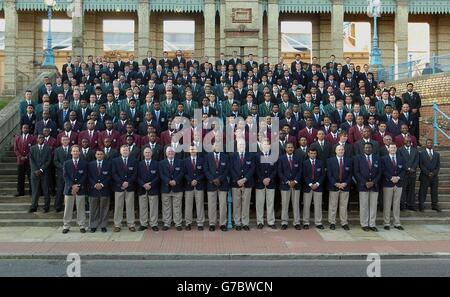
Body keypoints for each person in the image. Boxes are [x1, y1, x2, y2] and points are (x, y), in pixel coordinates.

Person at [354, 142, 381, 232]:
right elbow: (356, 172)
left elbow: (380, 172)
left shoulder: (377, 158)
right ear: (363, 149)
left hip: (374, 185)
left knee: (373, 206)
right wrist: (365, 182)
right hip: (363, 185)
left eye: (369, 147)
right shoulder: (358, 158)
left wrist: (373, 182)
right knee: (364, 206)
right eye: (366, 148)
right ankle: (364, 224)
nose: (368, 149)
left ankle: (372, 224)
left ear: (372, 149)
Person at [62, 145, 88, 233]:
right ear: (71, 152)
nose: (75, 152)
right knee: (68, 208)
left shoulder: (84, 163)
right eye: (74, 151)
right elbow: (65, 176)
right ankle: (66, 226)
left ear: (79, 152)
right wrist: (72, 186)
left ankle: (82, 225)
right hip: (69, 189)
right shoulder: (66, 163)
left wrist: (78, 185)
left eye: (77, 151)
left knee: (81, 208)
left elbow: (85, 175)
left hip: (80, 189)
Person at [204, 143, 230, 232]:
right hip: (211, 184)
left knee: (223, 205)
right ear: (213, 147)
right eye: (216, 145)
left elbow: (227, 170)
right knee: (211, 205)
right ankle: (212, 223)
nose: (217, 147)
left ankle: (223, 223)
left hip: (222, 184)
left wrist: (220, 179)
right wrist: (213, 179)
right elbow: (205, 170)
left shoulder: (225, 157)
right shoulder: (208, 156)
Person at [112, 145, 138, 232]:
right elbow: (114, 174)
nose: (125, 152)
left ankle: (131, 224)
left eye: (126, 150)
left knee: (130, 206)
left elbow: (135, 174)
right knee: (118, 206)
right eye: (123, 150)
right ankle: (117, 225)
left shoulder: (134, 161)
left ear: (129, 151)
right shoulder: (115, 161)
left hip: (130, 187)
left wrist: (128, 183)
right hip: (119, 187)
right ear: (120, 151)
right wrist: (121, 183)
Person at [230, 141, 255, 231]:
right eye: (240, 144)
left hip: (247, 183)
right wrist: (238, 180)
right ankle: (237, 223)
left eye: (243, 144)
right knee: (236, 204)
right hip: (236, 183)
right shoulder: (233, 156)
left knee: (246, 204)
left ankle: (245, 223)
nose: (241, 145)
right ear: (237, 146)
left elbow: (252, 168)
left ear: (245, 146)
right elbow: (231, 168)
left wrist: (245, 179)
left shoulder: (250, 155)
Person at [159, 146, 185, 231]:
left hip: (177, 187)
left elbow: (182, 173)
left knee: (177, 206)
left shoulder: (180, 162)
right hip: (166, 188)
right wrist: (168, 181)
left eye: (172, 152)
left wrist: (176, 181)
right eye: (169, 152)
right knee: (166, 207)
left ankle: (178, 223)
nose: (170, 153)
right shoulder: (161, 163)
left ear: (174, 153)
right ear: (166, 153)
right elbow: (161, 174)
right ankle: (167, 223)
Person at [327, 145, 352, 231]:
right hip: (334, 186)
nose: (341, 151)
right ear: (336, 151)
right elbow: (329, 174)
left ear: (344, 151)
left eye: (342, 150)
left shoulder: (349, 161)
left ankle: (344, 222)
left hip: (345, 186)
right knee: (333, 205)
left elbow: (350, 174)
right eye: (339, 150)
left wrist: (345, 183)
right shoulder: (330, 161)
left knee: (343, 206)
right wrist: (336, 184)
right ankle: (332, 222)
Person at [278, 143, 302, 230]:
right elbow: (280, 172)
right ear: (285, 149)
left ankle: (296, 222)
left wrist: (295, 181)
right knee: (284, 204)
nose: (290, 148)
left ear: (293, 148)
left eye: (291, 147)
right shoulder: (281, 159)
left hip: (296, 185)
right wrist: (287, 181)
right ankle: (284, 222)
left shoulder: (298, 158)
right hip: (285, 185)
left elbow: (300, 171)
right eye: (288, 147)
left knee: (296, 204)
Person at [381, 144, 406, 230]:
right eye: (391, 148)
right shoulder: (384, 159)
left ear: (396, 149)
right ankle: (386, 223)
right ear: (388, 149)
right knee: (387, 204)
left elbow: (403, 169)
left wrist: (398, 177)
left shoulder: (401, 158)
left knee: (396, 204)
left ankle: (397, 223)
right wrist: (391, 178)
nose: (393, 149)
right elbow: (383, 170)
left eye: (394, 148)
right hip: (388, 184)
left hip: (398, 184)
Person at [255, 139, 277, 229]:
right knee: (259, 203)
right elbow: (256, 169)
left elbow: (275, 169)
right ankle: (260, 221)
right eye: (264, 144)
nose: (266, 146)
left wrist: (269, 178)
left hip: (271, 183)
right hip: (260, 183)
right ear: (261, 146)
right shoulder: (257, 156)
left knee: (270, 203)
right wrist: (262, 179)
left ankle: (271, 221)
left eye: (268, 144)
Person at [87, 150, 111, 233]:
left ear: (103, 155)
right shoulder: (90, 164)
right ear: (95, 155)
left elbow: (110, 176)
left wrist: (102, 184)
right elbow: (88, 176)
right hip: (93, 190)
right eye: (98, 154)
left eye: (101, 154)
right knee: (93, 208)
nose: (99, 155)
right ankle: (93, 225)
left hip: (105, 189)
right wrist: (95, 184)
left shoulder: (108, 164)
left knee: (104, 208)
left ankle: (103, 225)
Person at [137, 147, 160, 231]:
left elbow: (158, 176)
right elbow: (137, 177)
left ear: (151, 154)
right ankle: (143, 224)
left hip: (153, 188)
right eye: (146, 152)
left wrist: (151, 184)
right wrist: (143, 184)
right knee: (143, 207)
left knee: (153, 207)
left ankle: (154, 224)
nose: (147, 154)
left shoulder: (157, 164)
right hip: (142, 189)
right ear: (143, 154)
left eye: (149, 152)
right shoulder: (139, 164)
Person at [302, 148, 325, 229]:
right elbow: (304, 175)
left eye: (314, 153)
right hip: (308, 187)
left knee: (318, 206)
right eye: (311, 153)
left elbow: (323, 175)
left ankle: (318, 222)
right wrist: (310, 184)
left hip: (318, 187)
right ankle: (306, 222)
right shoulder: (305, 163)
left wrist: (317, 184)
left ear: (316, 154)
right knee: (306, 206)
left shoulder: (320, 163)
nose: (313, 155)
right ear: (308, 154)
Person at [183, 145, 205, 231]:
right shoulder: (185, 161)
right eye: (191, 149)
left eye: (194, 149)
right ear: (189, 150)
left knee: (200, 205)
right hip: (189, 186)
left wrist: (197, 180)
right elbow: (184, 173)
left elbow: (204, 172)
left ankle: (200, 223)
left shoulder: (202, 160)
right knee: (188, 205)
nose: (193, 150)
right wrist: (191, 180)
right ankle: (188, 223)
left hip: (199, 185)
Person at [29, 134, 52, 213]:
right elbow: (31, 160)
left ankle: (46, 206)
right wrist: (36, 170)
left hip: (44, 173)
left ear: (44, 139)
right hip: (34, 173)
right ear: (37, 139)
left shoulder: (48, 148)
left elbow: (48, 160)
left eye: (42, 137)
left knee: (46, 190)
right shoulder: (32, 148)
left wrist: (41, 169)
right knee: (35, 190)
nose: (41, 139)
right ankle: (34, 206)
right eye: (39, 137)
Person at [418, 139, 441, 212]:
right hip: (425, 176)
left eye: (431, 143)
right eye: (428, 143)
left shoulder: (437, 154)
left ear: (432, 144)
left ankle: (434, 205)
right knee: (423, 191)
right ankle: (421, 205)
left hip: (434, 176)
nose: (430, 144)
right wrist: (428, 173)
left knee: (434, 191)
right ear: (426, 144)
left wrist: (433, 173)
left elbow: (438, 166)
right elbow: (421, 165)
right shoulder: (421, 153)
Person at [14, 124, 36, 197]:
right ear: (22, 129)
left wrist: (27, 156)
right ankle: (20, 192)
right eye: (24, 128)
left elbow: (33, 149)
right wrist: (20, 156)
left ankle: (31, 191)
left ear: (28, 129)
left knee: (30, 177)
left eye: (27, 128)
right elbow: (15, 149)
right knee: (20, 177)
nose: (25, 129)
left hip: (29, 161)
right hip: (20, 161)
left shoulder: (32, 138)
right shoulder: (17, 138)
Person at [399, 137, 419, 211]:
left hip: (412, 173)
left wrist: (412, 169)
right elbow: (400, 160)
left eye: (409, 141)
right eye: (406, 140)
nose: (408, 142)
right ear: (404, 141)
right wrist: (407, 168)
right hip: (404, 173)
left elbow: (416, 160)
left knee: (412, 190)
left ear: (411, 142)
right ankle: (403, 205)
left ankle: (411, 205)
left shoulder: (415, 150)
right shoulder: (400, 150)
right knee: (403, 190)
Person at [53, 135, 71, 212]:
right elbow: (55, 161)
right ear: (61, 141)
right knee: (60, 190)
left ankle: (71, 207)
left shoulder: (72, 149)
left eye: (66, 140)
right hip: (61, 173)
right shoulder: (57, 150)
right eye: (63, 140)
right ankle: (58, 206)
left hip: (71, 173)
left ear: (69, 140)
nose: (65, 141)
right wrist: (63, 167)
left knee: (70, 190)